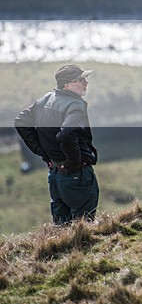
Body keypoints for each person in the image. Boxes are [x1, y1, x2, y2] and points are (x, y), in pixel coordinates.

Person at [14, 64, 100, 225]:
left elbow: (21, 121)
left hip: (55, 175)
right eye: (81, 79)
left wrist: (44, 153)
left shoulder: (46, 99)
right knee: (83, 227)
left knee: (61, 228)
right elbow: (66, 134)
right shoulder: (76, 105)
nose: (86, 83)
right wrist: (73, 163)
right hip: (77, 176)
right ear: (67, 84)